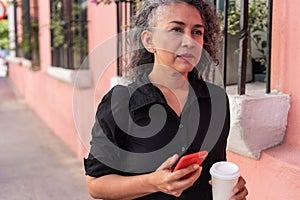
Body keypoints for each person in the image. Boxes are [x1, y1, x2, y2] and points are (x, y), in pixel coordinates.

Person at [84, 0, 248, 199]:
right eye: (176, 30)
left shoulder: (216, 99)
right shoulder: (121, 102)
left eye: (197, 32)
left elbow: (216, 167)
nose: (189, 41)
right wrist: (153, 183)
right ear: (149, 40)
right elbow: (96, 184)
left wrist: (233, 186)